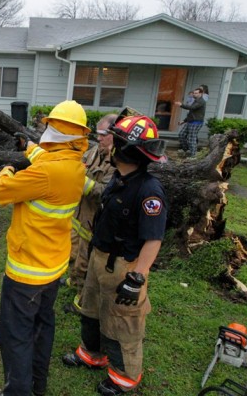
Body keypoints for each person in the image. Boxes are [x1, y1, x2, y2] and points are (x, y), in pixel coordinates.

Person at [62, 112, 168, 396]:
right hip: (99, 257)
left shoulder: (149, 192)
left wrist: (138, 277)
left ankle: (124, 377)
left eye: (116, 142)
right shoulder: (119, 178)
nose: (108, 145)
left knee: (123, 323)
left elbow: (153, 239)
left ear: (126, 150)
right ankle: (91, 354)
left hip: (124, 266)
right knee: (91, 309)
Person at [0, 100, 90, 396]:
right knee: (42, 329)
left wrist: (6, 169)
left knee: (15, 336)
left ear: (56, 130)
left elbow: (0, 193)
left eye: (49, 126)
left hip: (26, 274)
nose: (45, 129)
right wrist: (28, 147)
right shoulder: (75, 165)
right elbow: (47, 160)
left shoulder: (45, 174)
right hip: (52, 269)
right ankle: (37, 387)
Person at [65, 114, 117, 314]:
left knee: (87, 260)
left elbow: (105, 193)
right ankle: (74, 279)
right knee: (75, 251)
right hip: (80, 215)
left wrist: (79, 181)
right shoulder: (95, 151)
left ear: (113, 134)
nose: (99, 138)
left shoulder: (116, 162)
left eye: (103, 134)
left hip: (95, 221)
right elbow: (81, 164)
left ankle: (82, 301)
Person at [175, 87, 206, 157]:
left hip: (196, 122)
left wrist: (181, 105)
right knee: (181, 135)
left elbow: (192, 108)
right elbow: (191, 113)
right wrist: (183, 121)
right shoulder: (196, 101)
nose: (194, 95)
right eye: (194, 93)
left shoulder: (201, 101)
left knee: (191, 138)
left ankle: (193, 155)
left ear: (200, 94)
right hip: (190, 121)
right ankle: (187, 150)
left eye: (196, 93)